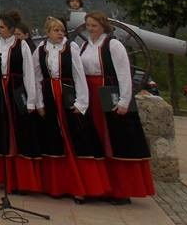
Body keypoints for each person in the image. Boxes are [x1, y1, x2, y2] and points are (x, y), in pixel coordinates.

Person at [79, 11, 155, 201]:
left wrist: (124, 100)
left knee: (114, 140)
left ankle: (119, 190)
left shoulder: (113, 45)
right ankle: (98, 186)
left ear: (103, 26)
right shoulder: (85, 45)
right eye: (88, 25)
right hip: (90, 96)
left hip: (107, 95)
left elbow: (124, 74)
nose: (90, 29)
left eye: (94, 26)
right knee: (94, 140)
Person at [32, 16, 110, 199]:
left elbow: (78, 75)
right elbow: (36, 78)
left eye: (62, 30)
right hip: (50, 98)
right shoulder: (40, 50)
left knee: (77, 140)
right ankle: (57, 186)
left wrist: (81, 102)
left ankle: (81, 188)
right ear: (48, 32)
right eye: (56, 30)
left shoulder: (71, 48)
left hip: (68, 98)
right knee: (53, 140)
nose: (61, 33)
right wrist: (39, 103)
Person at [0, 12, 42, 192]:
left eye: (2, 27)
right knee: (1, 133)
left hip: (16, 90)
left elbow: (28, 73)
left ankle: (22, 180)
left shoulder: (22, 45)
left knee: (19, 133)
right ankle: (2, 177)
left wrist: (31, 100)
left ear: (11, 29)